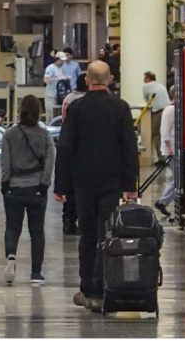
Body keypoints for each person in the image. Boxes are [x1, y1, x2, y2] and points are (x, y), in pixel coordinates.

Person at [54, 61, 139, 312]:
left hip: (84, 182)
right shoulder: (121, 107)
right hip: (112, 182)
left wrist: (61, 185)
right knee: (107, 235)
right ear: (110, 79)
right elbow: (129, 147)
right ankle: (104, 288)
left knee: (87, 234)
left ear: (88, 80)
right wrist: (130, 185)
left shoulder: (77, 108)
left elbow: (66, 147)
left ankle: (87, 288)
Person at [0, 95, 55, 285]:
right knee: (37, 231)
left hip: (14, 187)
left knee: (12, 227)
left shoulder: (10, 133)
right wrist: (44, 184)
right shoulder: (44, 134)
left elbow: (5, 161)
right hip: (36, 188)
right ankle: (36, 273)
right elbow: (50, 160)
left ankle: (11, 255)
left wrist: (5, 183)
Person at [57, 72, 89, 236]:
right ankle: (75, 220)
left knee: (69, 187)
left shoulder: (69, 97)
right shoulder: (83, 101)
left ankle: (67, 221)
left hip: (66, 140)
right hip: (80, 144)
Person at [154, 86, 178, 218]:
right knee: (178, 179)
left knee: (177, 178)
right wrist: (169, 147)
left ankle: (164, 201)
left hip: (173, 148)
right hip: (172, 149)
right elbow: (165, 130)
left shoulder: (173, 109)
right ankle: (163, 201)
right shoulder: (170, 110)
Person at [142, 71, 171, 164]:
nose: (143, 80)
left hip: (158, 111)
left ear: (148, 78)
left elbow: (147, 100)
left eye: (145, 78)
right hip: (167, 109)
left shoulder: (146, 86)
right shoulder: (161, 85)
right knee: (162, 133)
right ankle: (162, 156)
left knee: (154, 134)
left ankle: (156, 157)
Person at [43, 52, 72, 120]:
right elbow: (46, 80)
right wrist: (58, 78)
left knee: (57, 115)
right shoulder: (50, 68)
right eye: (61, 61)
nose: (62, 63)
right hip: (51, 95)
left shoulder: (61, 69)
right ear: (57, 59)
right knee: (50, 115)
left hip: (58, 95)